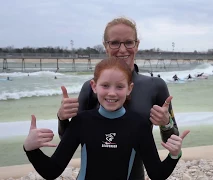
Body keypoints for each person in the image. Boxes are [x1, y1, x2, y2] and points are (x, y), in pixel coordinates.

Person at [54, 17, 180, 179]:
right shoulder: (92, 88)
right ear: (106, 45)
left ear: (137, 44)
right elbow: (68, 139)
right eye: (114, 43)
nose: (122, 49)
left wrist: (166, 124)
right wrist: (62, 118)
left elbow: (172, 141)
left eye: (128, 42)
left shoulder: (155, 86)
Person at [23, 57, 190, 179]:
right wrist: (30, 149)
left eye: (119, 86)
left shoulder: (139, 125)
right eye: (105, 85)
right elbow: (52, 171)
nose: (111, 93)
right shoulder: (81, 122)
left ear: (129, 89)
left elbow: (157, 174)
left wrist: (175, 155)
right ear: (94, 86)